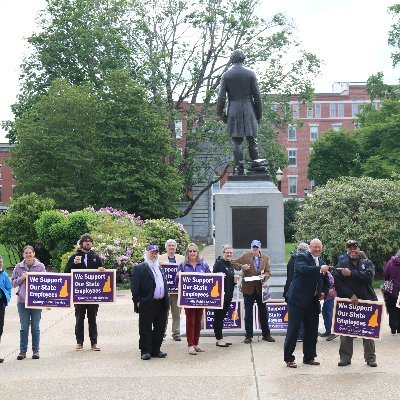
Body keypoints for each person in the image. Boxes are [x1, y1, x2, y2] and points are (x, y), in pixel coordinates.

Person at [217, 49, 264, 176]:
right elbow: (257, 97)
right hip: (249, 109)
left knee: (237, 141)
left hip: (233, 110)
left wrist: (220, 113)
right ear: (243, 59)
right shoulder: (250, 74)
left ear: (232, 60)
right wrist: (259, 115)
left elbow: (221, 97)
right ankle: (256, 165)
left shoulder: (226, 75)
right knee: (252, 139)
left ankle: (239, 169)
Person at [284, 238, 329, 368]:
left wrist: (323, 292)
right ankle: (289, 358)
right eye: (315, 247)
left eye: (319, 247)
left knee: (311, 331)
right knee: (293, 330)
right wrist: (320, 269)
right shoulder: (302, 258)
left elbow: (325, 281)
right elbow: (303, 269)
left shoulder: (321, 262)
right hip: (297, 301)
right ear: (310, 247)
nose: (317, 249)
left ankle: (309, 357)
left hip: (313, 302)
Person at [334, 239, 378, 367]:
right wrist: (351, 295)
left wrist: (351, 273)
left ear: (358, 249)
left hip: (366, 301)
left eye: (355, 247)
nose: (352, 250)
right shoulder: (342, 263)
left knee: (368, 331)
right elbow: (338, 283)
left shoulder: (367, 262)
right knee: (346, 331)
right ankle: (345, 358)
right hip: (348, 303)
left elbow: (369, 277)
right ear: (347, 250)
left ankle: (370, 358)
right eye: (350, 248)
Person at [65, 234, 104, 351]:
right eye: (85, 241)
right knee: (79, 319)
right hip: (79, 294)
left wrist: (102, 271)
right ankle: (79, 342)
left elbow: (101, 277)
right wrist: (73, 264)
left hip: (93, 295)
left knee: (93, 319)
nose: (88, 243)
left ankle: (94, 342)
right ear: (81, 243)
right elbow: (66, 273)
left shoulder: (96, 258)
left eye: (90, 241)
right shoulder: (74, 257)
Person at [232, 240, 275, 344]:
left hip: (261, 288)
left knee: (263, 312)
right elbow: (233, 263)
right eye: (253, 247)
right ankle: (248, 335)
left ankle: (266, 334)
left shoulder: (265, 257)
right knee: (248, 313)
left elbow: (268, 272)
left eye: (257, 247)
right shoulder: (245, 256)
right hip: (248, 288)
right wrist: (242, 267)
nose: (255, 249)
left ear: (260, 247)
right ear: (251, 247)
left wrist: (265, 276)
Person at [131, 245, 169, 360]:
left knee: (160, 328)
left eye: (156, 253)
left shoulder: (160, 267)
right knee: (145, 328)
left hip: (161, 302)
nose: (154, 255)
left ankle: (156, 349)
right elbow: (135, 287)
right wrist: (137, 301)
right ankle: (145, 351)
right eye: (152, 253)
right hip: (147, 303)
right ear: (146, 253)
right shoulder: (139, 268)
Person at [11, 245, 46, 360]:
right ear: (23, 255)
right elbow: (13, 283)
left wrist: (47, 301)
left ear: (34, 253)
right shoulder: (18, 267)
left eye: (30, 252)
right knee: (24, 327)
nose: (28, 255)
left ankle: (35, 350)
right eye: (26, 253)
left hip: (36, 301)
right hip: (22, 301)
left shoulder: (40, 266)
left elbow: (47, 284)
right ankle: (23, 350)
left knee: (35, 327)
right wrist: (22, 278)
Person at [177, 243, 211, 355]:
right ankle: (190, 345)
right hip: (188, 299)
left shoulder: (204, 265)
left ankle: (196, 344)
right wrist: (178, 277)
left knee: (198, 321)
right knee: (190, 321)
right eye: (190, 251)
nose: (192, 253)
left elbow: (210, 279)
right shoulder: (182, 266)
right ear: (187, 253)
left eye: (194, 251)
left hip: (201, 299)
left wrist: (219, 277)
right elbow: (178, 283)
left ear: (197, 252)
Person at [283, 243, 310, 343]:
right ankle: (300, 334)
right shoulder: (302, 261)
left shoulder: (292, 259)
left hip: (290, 290)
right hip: (298, 291)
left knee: (293, 316)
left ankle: (297, 334)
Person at [159, 239, 185, 341]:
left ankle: (176, 333)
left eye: (173, 246)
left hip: (177, 292)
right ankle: (161, 333)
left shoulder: (182, 259)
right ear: (166, 247)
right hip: (164, 292)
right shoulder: (160, 258)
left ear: (176, 247)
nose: (171, 247)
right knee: (163, 313)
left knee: (176, 313)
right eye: (169, 245)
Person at [213, 244, 235, 347]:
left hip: (228, 295)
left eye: (231, 253)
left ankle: (220, 338)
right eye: (227, 253)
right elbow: (214, 279)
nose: (229, 254)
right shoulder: (219, 264)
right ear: (223, 253)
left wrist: (235, 281)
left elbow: (229, 279)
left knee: (221, 318)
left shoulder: (230, 264)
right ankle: (219, 339)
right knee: (218, 317)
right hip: (220, 296)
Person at [383, 250, 400, 335]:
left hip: (392, 290)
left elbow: (385, 274)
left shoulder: (390, 262)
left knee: (392, 308)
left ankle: (393, 328)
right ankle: (399, 329)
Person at [320, 271, 338, 341]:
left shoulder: (326, 272)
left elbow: (332, 281)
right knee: (325, 313)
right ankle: (328, 331)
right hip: (327, 297)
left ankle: (333, 332)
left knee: (330, 314)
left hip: (331, 296)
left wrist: (331, 287)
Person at [0, 255, 12, 363]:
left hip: (0, 304)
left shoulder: (4, 274)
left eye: (1, 262)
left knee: (0, 328)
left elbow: (9, 288)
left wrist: (7, 296)